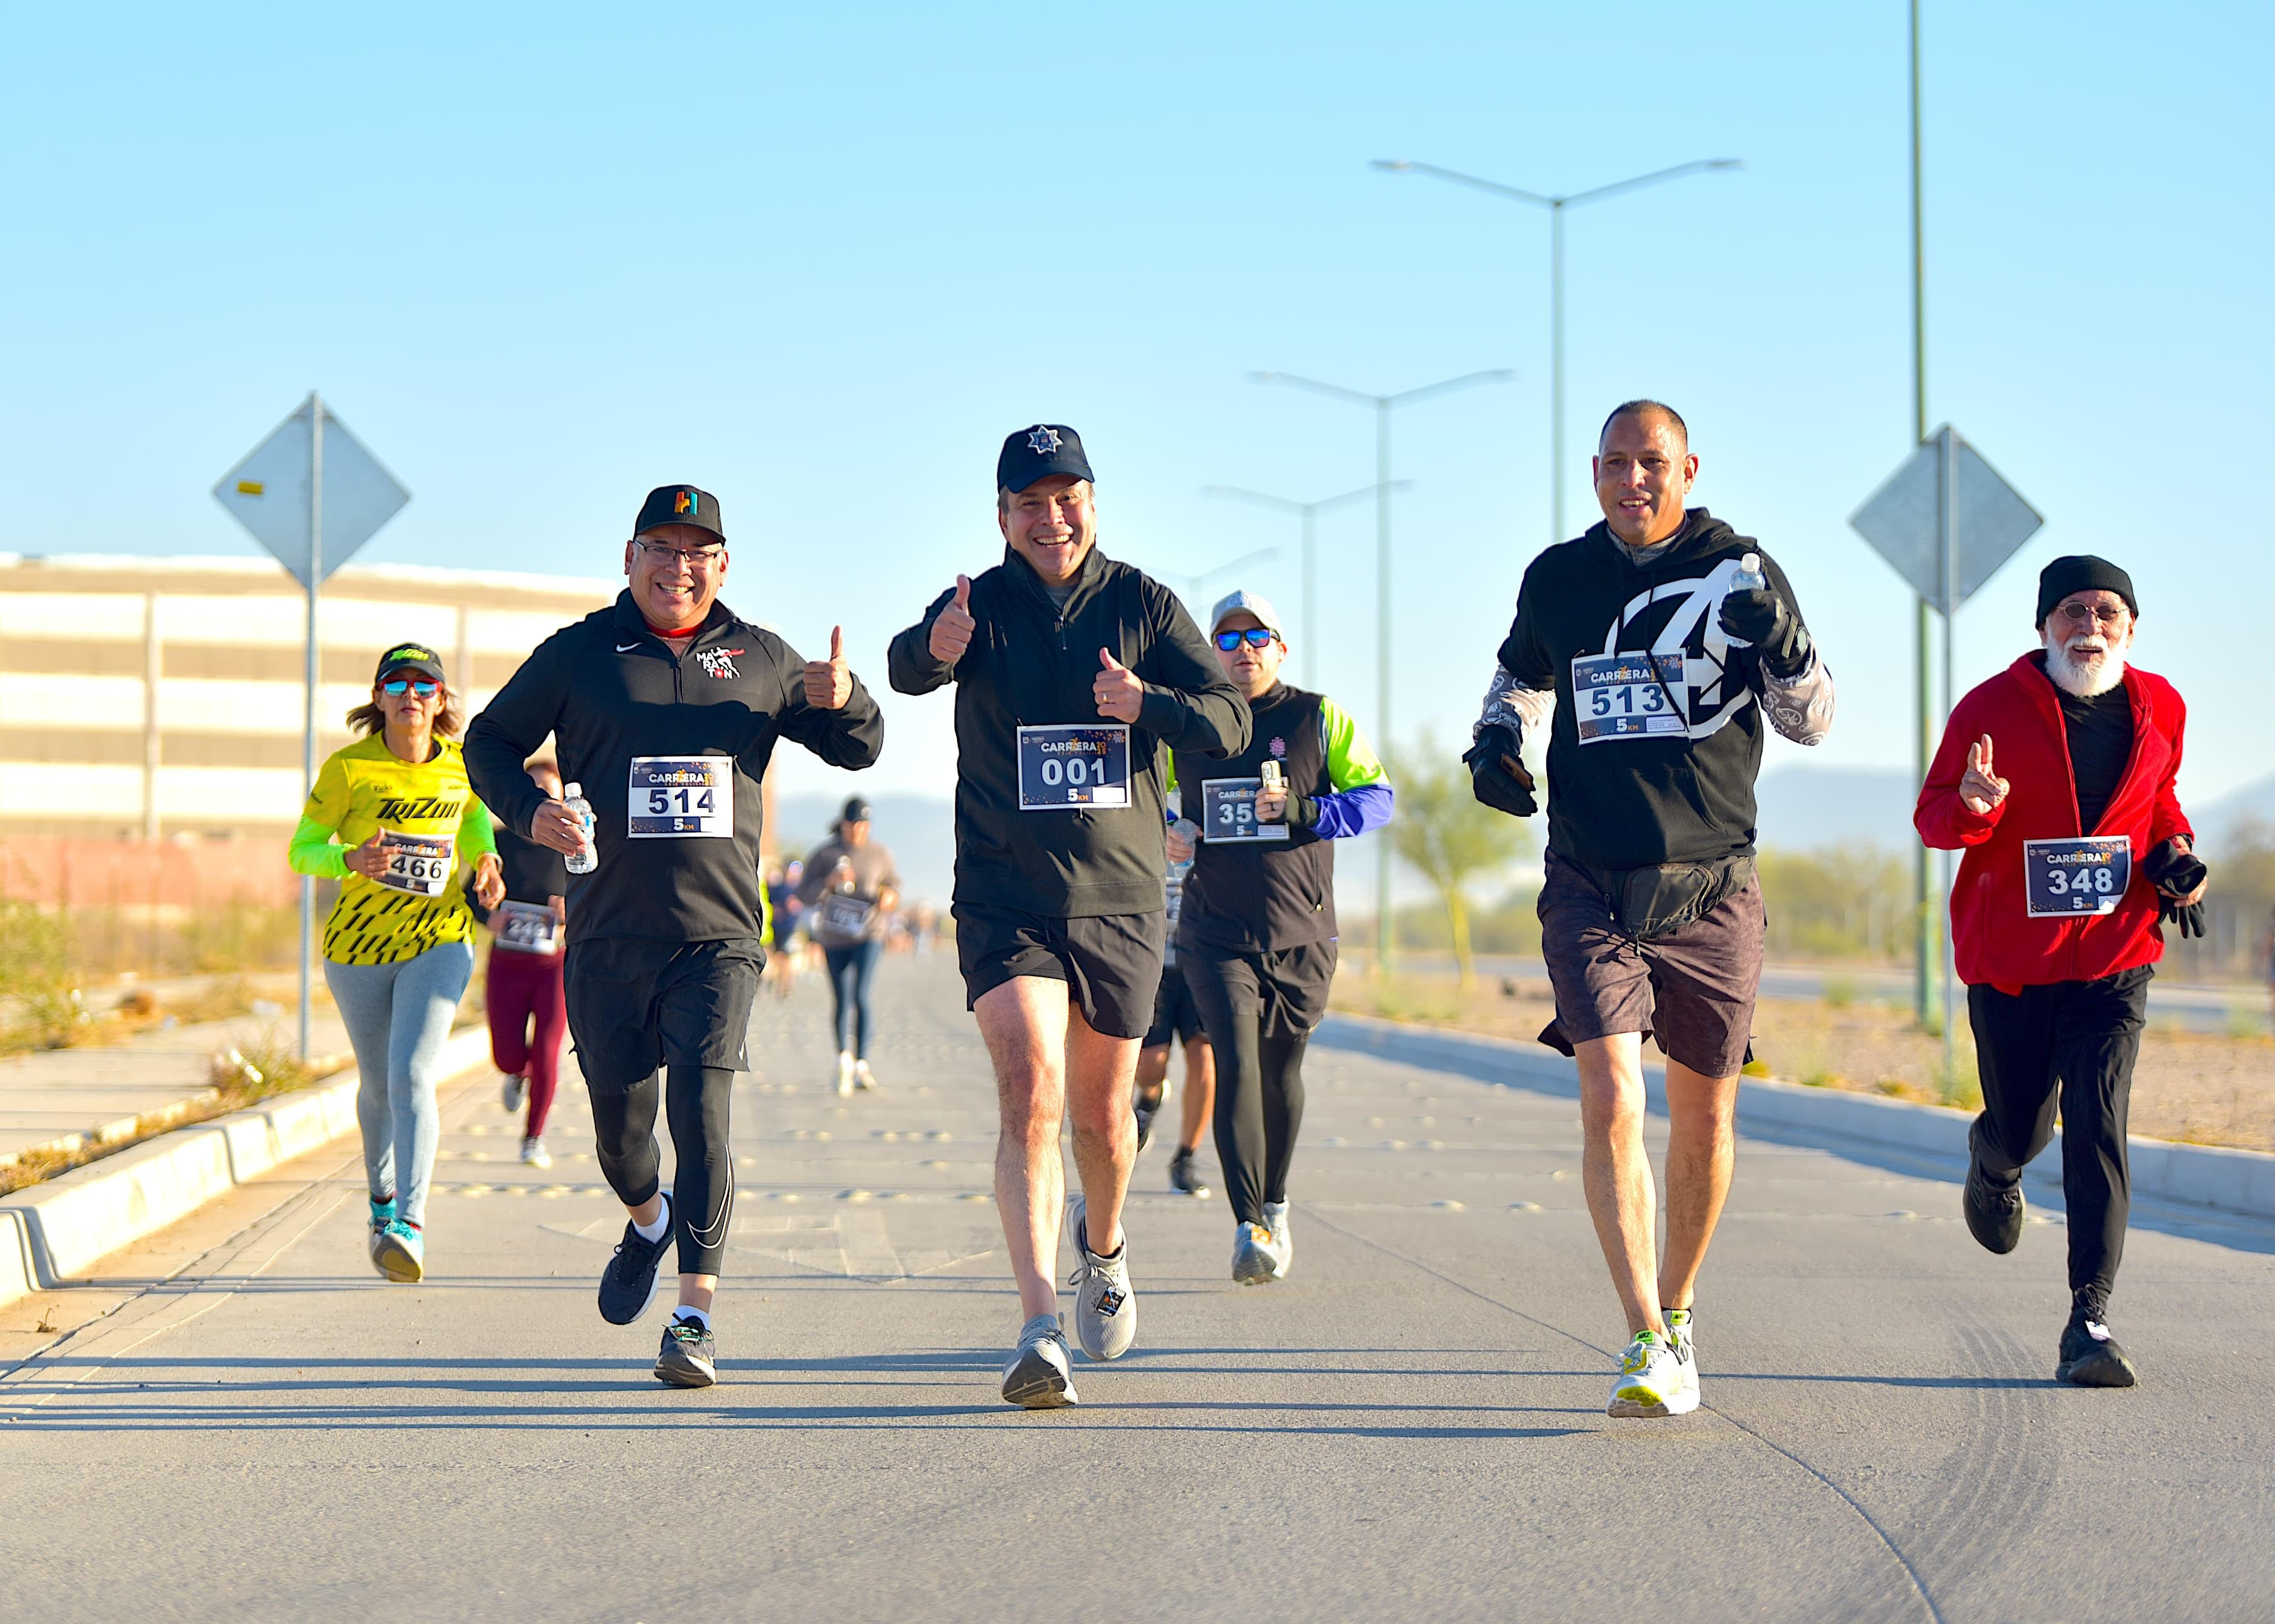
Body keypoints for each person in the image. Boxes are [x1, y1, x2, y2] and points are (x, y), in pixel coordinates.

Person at [465, 484, 883, 1388]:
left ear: (722, 565)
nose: (678, 566)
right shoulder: (580, 654)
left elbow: (860, 747)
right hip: (609, 936)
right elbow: (488, 741)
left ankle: (693, 1315)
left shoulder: (763, 659)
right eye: (661, 547)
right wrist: (532, 811)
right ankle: (648, 1218)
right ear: (629, 556)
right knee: (624, 1138)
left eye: (698, 552)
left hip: (719, 937)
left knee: (703, 1110)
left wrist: (846, 699)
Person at [1465, 400, 1835, 1418]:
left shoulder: (1739, 572)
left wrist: (1789, 648)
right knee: (1613, 1097)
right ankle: (1640, 1332)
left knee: (1704, 1114)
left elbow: (1810, 719)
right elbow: (1519, 680)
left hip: (1713, 883)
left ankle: (1677, 1309)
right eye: (1617, 463)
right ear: (1594, 473)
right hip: (1589, 879)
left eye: (1652, 462)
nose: (1635, 478)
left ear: (1687, 468)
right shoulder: (1559, 578)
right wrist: (1495, 741)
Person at [888, 424, 1248, 1408]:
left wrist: (1152, 704)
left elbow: (1230, 718)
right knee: (1033, 1089)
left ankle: (1105, 1243)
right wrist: (933, 645)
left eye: (1066, 497)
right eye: (1029, 503)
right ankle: (1038, 1324)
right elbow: (902, 667)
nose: (1051, 519)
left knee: (1100, 1113)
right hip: (1007, 895)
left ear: (1093, 500)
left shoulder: (1142, 601)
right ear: (1001, 516)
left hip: (1120, 899)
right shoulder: (980, 604)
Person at [1917, 555, 2204, 1388]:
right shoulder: (1990, 708)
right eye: (2072, 610)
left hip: (2116, 957)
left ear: (2130, 626)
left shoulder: (2162, 706)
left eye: (2107, 611)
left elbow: (2158, 803)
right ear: (2043, 625)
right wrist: (1975, 803)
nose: (2090, 626)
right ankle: (1994, 1158)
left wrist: (2175, 855)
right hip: (2013, 961)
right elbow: (1933, 817)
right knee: (2024, 1125)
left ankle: (2090, 1317)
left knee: (2099, 1124)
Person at [1166, 590, 1392, 1283]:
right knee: (1233, 1061)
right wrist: (1168, 831)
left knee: (1278, 1070)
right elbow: (1151, 800)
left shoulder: (1315, 716)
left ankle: (1276, 1200)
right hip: (1213, 930)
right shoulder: (1190, 725)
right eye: (1227, 641)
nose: (1243, 651)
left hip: (1301, 930)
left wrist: (1303, 808)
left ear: (1280, 646)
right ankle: (1249, 1226)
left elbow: (1377, 799)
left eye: (1256, 637)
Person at [288, 642, 504, 1284]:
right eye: (398, 683)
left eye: (424, 685)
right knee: (378, 1085)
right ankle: (380, 1202)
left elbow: (472, 826)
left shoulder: (463, 768)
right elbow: (303, 849)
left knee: (412, 1073)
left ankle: (409, 1223)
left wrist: (486, 862)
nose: (411, 695)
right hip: (357, 949)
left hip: (440, 939)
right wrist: (347, 860)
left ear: (441, 701)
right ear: (379, 697)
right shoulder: (348, 769)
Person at [467, 752, 570, 1168]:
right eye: (534, 789)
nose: (543, 796)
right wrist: (489, 917)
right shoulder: (498, 841)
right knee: (507, 1055)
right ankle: (517, 1074)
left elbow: (602, 895)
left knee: (547, 1051)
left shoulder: (575, 846)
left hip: (554, 964)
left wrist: (572, 910)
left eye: (550, 789)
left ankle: (534, 1137)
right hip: (508, 962)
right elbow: (468, 891)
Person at [797, 797, 901, 1094]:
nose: (858, 830)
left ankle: (862, 1063)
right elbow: (803, 894)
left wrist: (889, 897)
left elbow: (894, 886)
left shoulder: (880, 854)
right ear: (843, 824)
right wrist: (828, 883)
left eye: (863, 825)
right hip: (834, 935)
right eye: (853, 824)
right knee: (842, 997)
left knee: (862, 995)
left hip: (870, 933)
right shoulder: (825, 854)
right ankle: (843, 1057)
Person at [1133, 833, 1215, 1199]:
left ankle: (1186, 1159)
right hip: (1154, 968)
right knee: (1151, 1064)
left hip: (1204, 963)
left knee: (1205, 1060)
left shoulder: (1211, 795)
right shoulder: (1145, 795)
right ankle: (1150, 1097)